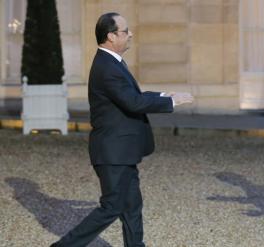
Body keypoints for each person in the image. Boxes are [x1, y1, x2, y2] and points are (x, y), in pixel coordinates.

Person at [51, 12, 193, 247]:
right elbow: (133, 103)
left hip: (121, 151)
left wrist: (165, 95)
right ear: (111, 36)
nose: (130, 35)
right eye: (125, 31)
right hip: (112, 152)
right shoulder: (107, 67)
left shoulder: (112, 62)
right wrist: (172, 103)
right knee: (112, 207)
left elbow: (132, 96)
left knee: (132, 205)